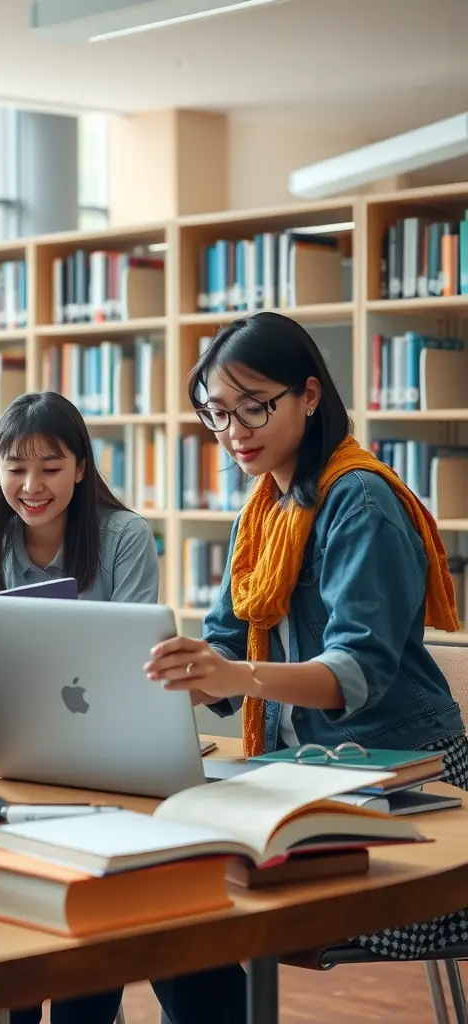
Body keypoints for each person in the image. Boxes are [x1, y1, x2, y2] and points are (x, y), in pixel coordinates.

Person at [144, 311, 468, 1024]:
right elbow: (228, 646)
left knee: (189, 905)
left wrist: (237, 679)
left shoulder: (360, 499)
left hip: (405, 782)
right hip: (304, 775)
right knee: (153, 898)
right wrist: (175, 677)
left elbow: (356, 673)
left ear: (310, 396)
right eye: (217, 413)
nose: (234, 431)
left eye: (254, 406)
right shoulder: (259, 510)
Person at [0, 390, 159, 1024]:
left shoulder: (124, 537)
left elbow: (133, 665)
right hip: (11, 762)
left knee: (83, 933)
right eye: (15, 467)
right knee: (9, 918)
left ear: (80, 466)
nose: (31, 484)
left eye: (50, 465)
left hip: (106, 762)